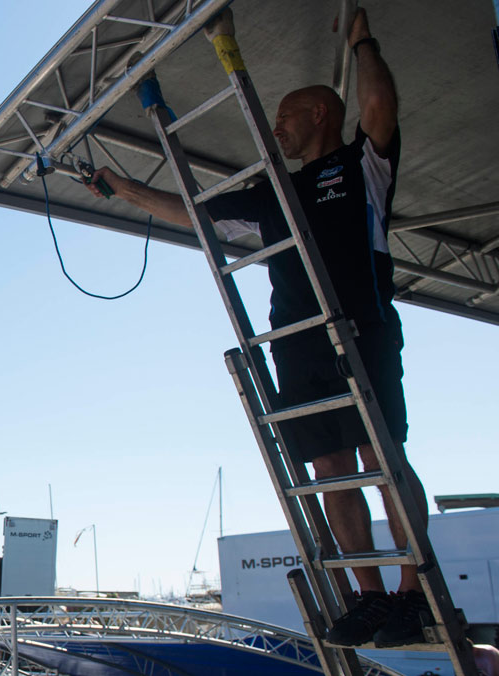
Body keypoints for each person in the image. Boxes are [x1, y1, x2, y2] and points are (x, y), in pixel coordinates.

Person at [87, 8, 432, 647]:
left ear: (321, 115)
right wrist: (126, 190)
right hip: (294, 347)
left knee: (381, 461)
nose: (276, 126)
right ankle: (372, 597)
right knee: (330, 467)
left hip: (360, 331)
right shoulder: (274, 191)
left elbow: (382, 107)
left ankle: (416, 596)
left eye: (286, 115)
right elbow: (195, 213)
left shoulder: (362, 169)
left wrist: (361, 41)